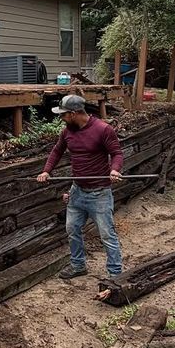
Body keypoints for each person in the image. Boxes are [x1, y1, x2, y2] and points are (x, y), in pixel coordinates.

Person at [36, 94, 124, 281]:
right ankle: (78, 265)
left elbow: (116, 153)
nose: (61, 118)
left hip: (99, 193)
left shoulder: (102, 129)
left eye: (63, 114)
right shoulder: (67, 132)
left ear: (74, 113)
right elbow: (57, 151)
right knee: (72, 229)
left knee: (107, 235)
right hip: (77, 191)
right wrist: (46, 171)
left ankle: (115, 274)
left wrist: (115, 170)